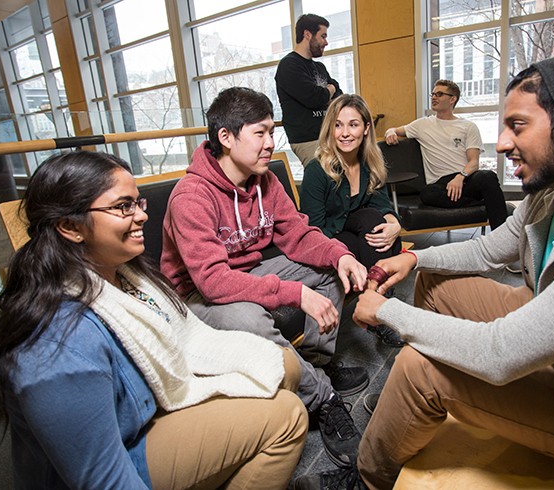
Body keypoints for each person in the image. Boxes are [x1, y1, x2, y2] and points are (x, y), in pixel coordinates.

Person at [301, 53, 554, 489]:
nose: (499, 144)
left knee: (418, 367)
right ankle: (409, 406)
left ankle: (367, 477)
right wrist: (414, 257)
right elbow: (490, 249)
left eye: (517, 126)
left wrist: (387, 312)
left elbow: (501, 353)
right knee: (435, 282)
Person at [0, 151, 309, 489]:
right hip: (127, 452)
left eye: (139, 203)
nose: (141, 216)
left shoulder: (122, 273)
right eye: (124, 207)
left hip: (147, 407)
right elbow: (103, 480)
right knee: (286, 415)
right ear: (69, 226)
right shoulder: (57, 348)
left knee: (285, 364)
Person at [160, 87, 369, 469]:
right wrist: (292, 294)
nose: (271, 143)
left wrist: (341, 254)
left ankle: (312, 363)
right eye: (260, 133)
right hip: (196, 296)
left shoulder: (266, 181)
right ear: (226, 137)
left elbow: (299, 235)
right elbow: (212, 282)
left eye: (272, 132)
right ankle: (323, 399)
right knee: (248, 318)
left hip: (246, 273)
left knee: (330, 269)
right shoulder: (190, 196)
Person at [300, 93, 405, 348]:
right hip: (328, 243)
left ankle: (375, 306)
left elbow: (381, 204)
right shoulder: (317, 170)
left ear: (366, 128)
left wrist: (394, 225)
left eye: (353, 124)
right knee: (370, 232)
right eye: (338, 125)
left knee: (375, 220)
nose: (345, 133)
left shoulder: (368, 162)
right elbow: (313, 230)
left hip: (357, 234)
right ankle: (381, 311)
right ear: (330, 129)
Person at [384, 79, 508, 230]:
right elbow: (395, 129)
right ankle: (486, 202)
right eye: (433, 94)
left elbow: (474, 162)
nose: (434, 97)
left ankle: (501, 234)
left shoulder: (468, 127)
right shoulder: (422, 124)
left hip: (465, 178)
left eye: (440, 94)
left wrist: (460, 177)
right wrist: (390, 131)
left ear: (452, 99)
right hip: (440, 184)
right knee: (427, 194)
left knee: (488, 176)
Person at [275, 13, 342, 165]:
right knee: (325, 182)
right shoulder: (289, 65)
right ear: (307, 34)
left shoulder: (319, 67)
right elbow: (315, 98)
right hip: (307, 140)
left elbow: (339, 97)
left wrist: (327, 92)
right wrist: (328, 91)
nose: (326, 42)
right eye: (323, 36)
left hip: (328, 136)